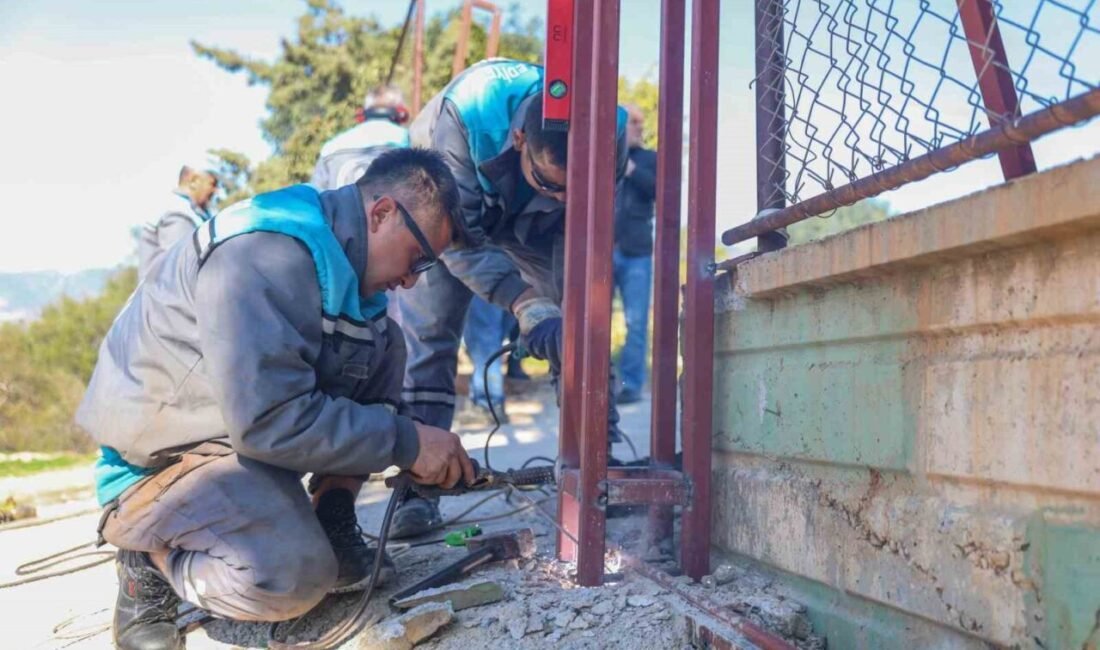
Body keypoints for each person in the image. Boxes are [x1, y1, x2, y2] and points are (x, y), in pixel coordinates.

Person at [77, 148, 474, 650]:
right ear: (381, 213)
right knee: (292, 577)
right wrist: (406, 442)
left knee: (384, 344)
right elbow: (269, 420)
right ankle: (150, 557)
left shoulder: (338, 267)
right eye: (419, 258)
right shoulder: (266, 252)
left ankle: (331, 517)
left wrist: (402, 440)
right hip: (160, 463)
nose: (413, 279)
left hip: (230, 438)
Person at [390, 58, 628, 538]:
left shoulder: (612, 128)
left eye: (575, 191)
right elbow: (456, 240)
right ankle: (419, 486)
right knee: (428, 332)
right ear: (520, 140)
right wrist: (524, 303)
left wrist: (565, 313)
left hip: (534, 223)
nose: (563, 198)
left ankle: (595, 459)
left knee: (580, 320)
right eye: (552, 184)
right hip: (450, 210)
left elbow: (585, 241)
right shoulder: (466, 118)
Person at [612, 105, 658, 404]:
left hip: (637, 252)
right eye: (630, 124)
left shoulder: (650, 159)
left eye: (638, 125)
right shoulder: (605, 159)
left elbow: (660, 190)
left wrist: (631, 170)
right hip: (604, 250)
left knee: (636, 322)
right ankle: (601, 381)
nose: (636, 129)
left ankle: (631, 385)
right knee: (595, 320)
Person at [311, 86, 411, 190]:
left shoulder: (331, 148)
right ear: (401, 113)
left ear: (364, 113)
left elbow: (314, 198)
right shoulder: (408, 141)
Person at [137, 162, 219, 279]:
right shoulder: (178, 212)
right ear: (194, 181)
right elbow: (182, 268)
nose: (216, 191)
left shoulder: (195, 212)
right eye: (213, 184)